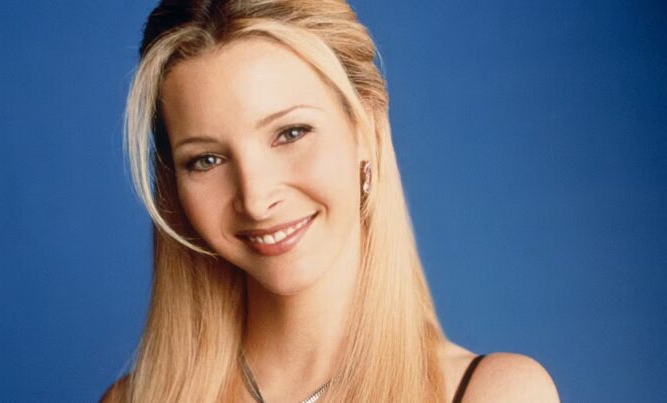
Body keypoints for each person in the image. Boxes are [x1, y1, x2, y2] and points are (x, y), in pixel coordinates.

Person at [103, 0, 560, 401]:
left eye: (291, 133)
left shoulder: (494, 393)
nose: (256, 198)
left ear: (366, 127)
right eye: (206, 160)